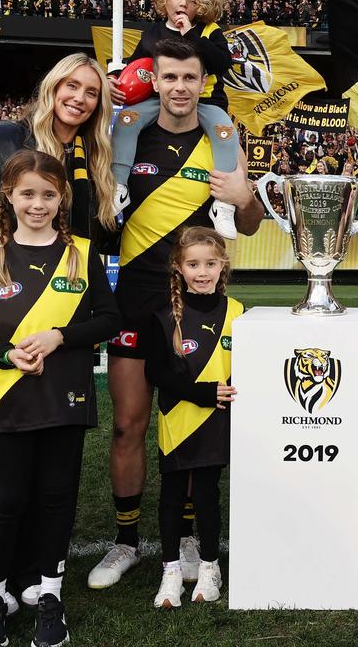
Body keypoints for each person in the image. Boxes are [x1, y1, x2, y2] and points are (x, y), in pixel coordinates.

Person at [0, 52, 117, 608]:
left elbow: (85, 250)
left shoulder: (93, 160)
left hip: (57, 336)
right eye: (71, 85)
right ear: (51, 86)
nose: (79, 97)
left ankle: (42, 583)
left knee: (51, 473)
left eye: (91, 91)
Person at [89, 38, 263, 591]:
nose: (181, 87)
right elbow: (105, 219)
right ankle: (125, 542)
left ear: (201, 83)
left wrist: (246, 197)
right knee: (128, 422)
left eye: (190, 78)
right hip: (136, 300)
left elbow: (252, 224)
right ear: (156, 80)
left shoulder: (222, 140)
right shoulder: (128, 134)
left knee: (195, 418)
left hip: (196, 306)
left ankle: (188, 538)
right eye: (170, 78)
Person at [0, 150, 121, 647]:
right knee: (6, 499)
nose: (38, 204)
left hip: (65, 396)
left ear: (62, 198)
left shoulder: (81, 253)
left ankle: (50, 594)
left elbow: (109, 319)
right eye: (28, 194)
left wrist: (59, 336)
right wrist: (7, 357)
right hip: (9, 394)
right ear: (9, 196)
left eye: (48, 195)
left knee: (57, 497)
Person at [109, 0, 240, 239]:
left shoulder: (209, 31)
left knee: (227, 133)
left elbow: (223, 63)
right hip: (158, 103)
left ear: (202, 2)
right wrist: (112, 80)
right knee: (127, 120)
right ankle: (118, 186)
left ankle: (223, 204)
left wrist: (190, 35)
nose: (183, 3)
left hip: (206, 104)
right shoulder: (152, 34)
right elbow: (135, 68)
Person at [144, 227, 241, 608]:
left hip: (215, 423)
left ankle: (210, 568)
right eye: (193, 264)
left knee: (206, 495)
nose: (202, 272)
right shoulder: (164, 316)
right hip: (178, 420)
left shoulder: (237, 313)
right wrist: (201, 393)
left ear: (223, 267)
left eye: (210, 264)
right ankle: (170, 572)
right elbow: (157, 373)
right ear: (179, 269)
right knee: (170, 496)